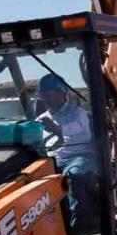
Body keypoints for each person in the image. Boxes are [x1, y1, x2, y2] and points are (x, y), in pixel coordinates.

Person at [36, 73, 94, 226]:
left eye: (49, 95)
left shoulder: (77, 113)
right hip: (52, 159)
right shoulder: (42, 118)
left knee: (73, 175)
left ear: (61, 92)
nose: (46, 100)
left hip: (79, 156)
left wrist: (57, 129)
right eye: (43, 96)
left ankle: (79, 223)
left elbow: (82, 132)